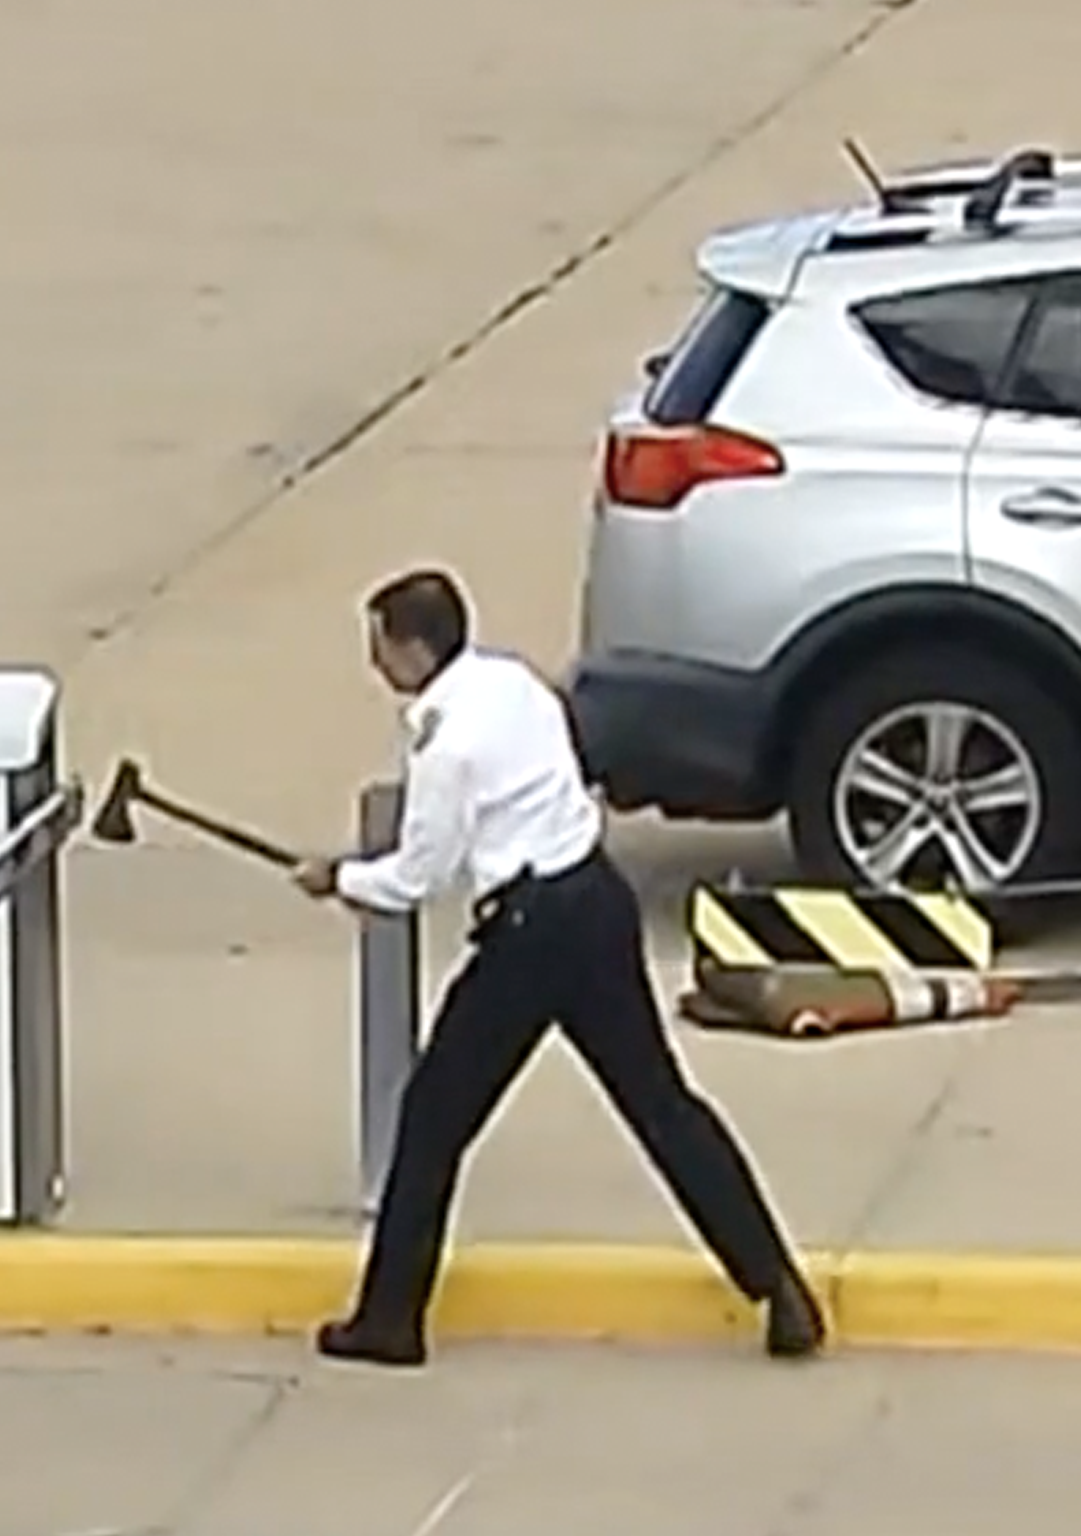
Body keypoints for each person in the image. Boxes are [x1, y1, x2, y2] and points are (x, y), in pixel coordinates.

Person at [289, 569, 825, 1367]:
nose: (376, 668)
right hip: (595, 903)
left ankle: (389, 1318)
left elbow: (417, 878)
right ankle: (777, 1284)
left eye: (379, 648)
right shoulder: (514, 685)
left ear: (411, 648)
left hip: (527, 934)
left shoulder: (445, 744)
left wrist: (340, 878)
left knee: (435, 1114)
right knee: (662, 1104)